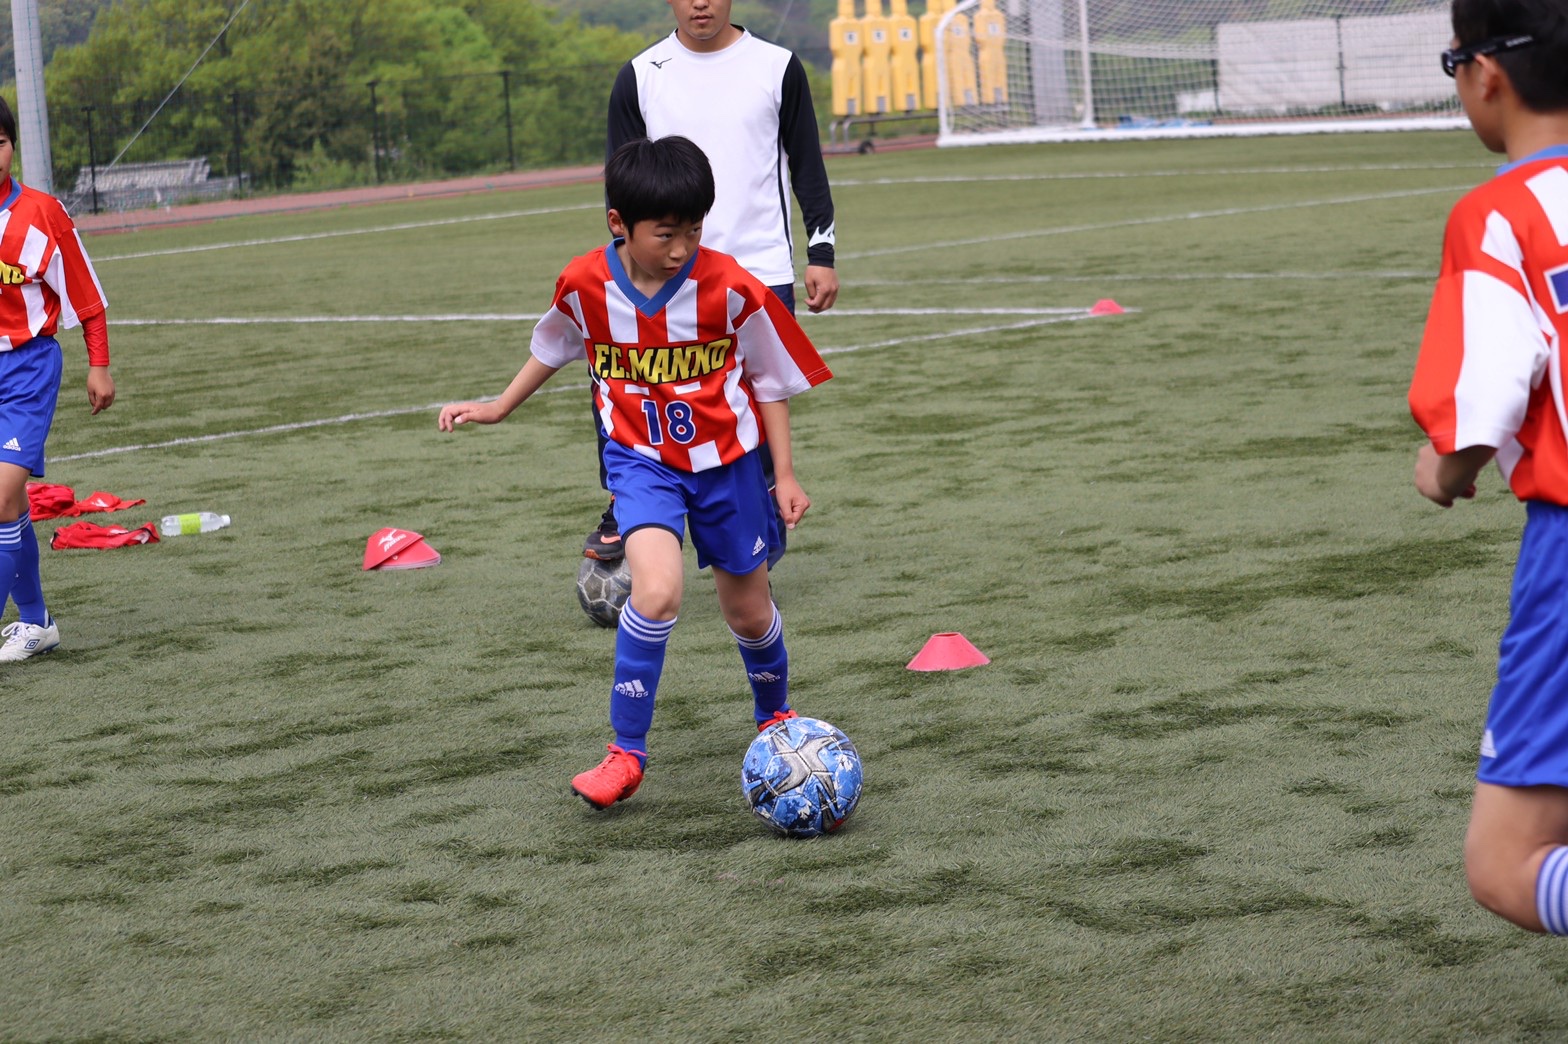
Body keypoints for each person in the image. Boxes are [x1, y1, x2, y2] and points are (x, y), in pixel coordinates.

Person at [439, 136, 832, 809]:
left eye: (693, 231)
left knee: (748, 612)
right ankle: (625, 753)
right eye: (665, 233)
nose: (681, 248)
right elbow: (555, 346)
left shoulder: (730, 288)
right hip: (641, 463)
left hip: (729, 467)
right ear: (619, 223)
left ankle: (775, 717)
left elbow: (769, 381)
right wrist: (500, 406)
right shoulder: (585, 285)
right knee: (656, 592)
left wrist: (785, 474)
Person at [1408, 0, 1568, 933]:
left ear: (1485, 73)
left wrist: (1444, 469)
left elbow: (1484, 400)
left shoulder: (1501, 213)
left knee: (1508, 864)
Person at [585, 0, 839, 564]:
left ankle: (757, 536)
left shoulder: (777, 66)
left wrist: (820, 251)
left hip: (759, 271)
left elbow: (807, 163)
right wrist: (628, 270)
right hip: (667, 276)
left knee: (755, 411)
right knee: (636, 388)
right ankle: (626, 505)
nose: (700, 2)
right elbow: (619, 185)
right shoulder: (639, 75)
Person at [0, 96, 115, 664]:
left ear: (12, 146)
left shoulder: (42, 213)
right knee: (11, 504)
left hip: (27, 368)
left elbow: (86, 295)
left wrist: (99, 363)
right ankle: (37, 622)